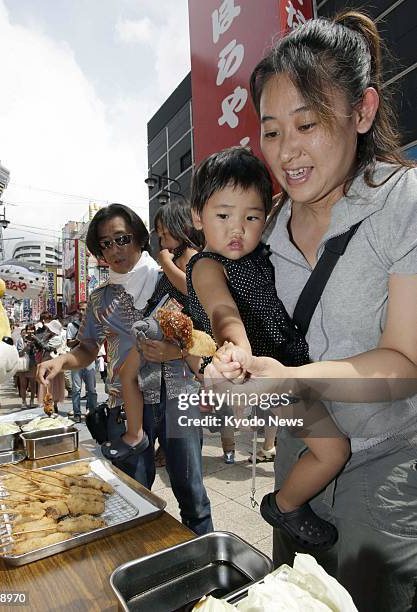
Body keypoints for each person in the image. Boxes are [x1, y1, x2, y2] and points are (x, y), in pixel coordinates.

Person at [207, 11, 417, 611]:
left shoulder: (402, 202)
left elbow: (403, 363)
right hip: (301, 456)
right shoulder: (264, 229)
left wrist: (289, 378)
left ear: (363, 111)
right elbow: (231, 316)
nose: (286, 152)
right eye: (271, 131)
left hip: (387, 465)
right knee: (292, 599)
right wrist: (228, 366)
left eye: (308, 123)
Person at [187, 146, 349, 550]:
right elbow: (224, 311)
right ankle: (284, 505)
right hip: (271, 378)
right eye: (223, 216)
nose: (237, 228)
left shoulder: (262, 252)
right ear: (197, 216)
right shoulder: (208, 264)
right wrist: (237, 348)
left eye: (252, 217)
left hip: (293, 366)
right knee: (333, 451)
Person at [37, 203, 213, 535]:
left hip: (179, 397)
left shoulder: (172, 278)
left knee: (193, 497)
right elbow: (88, 348)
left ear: (138, 238)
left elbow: (204, 333)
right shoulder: (101, 298)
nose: (115, 249)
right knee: (131, 495)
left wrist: (173, 351)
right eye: (105, 243)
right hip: (125, 406)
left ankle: (206, 563)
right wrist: (61, 360)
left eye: (121, 238)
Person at [105, 199, 203, 460]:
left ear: (181, 227)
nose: (162, 241)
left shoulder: (190, 255)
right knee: (128, 374)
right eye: (159, 235)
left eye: (165, 234)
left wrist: (166, 263)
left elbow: (192, 289)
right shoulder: (179, 255)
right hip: (160, 324)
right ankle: (136, 433)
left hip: (165, 325)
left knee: (128, 374)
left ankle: (135, 434)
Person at [66, 301, 98, 423]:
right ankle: (77, 413)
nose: (82, 312)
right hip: (75, 359)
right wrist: (79, 338)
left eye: (85, 309)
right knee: (76, 389)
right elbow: (68, 343)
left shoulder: (93, 325)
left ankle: (92, 412)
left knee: (91, 389)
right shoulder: (71, 326)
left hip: (89, 359)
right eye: (80, 309)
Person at [33, 319, 66, 412]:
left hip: (53, 365)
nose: (48, 330)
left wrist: (37, 339)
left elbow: (47, 348)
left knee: (53, 385)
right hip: (47, 363)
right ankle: (48, 404)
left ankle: (53, 404)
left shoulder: (57, 338)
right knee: (47, 385)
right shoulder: (49, 337)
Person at [16, 323, 38, 408]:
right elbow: (19, 353)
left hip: (33, 364)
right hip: (23, 364)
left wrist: (35, 344)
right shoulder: (20, 340)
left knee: (33, 384)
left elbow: (40, 350)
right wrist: (26, 347)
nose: (30, 331)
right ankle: (23, 401)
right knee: (23, 384)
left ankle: (32, 401)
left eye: (32, 329)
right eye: (28, 329)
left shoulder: (36, 340)